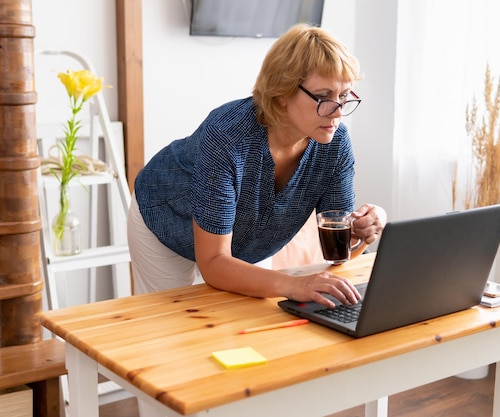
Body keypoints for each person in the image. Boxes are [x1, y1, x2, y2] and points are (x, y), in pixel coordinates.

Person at [127, 23, 387, 313]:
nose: (338, 112)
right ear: (282, 93)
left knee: (248, 327)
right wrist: (294, 284)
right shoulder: (227, 135)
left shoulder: (334, 142)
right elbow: (213, 263)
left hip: (247, 246)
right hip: (166, 221)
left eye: (343, 96)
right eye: (324, 97)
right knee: (167, 336)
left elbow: (338, 253)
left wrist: (365, 230)